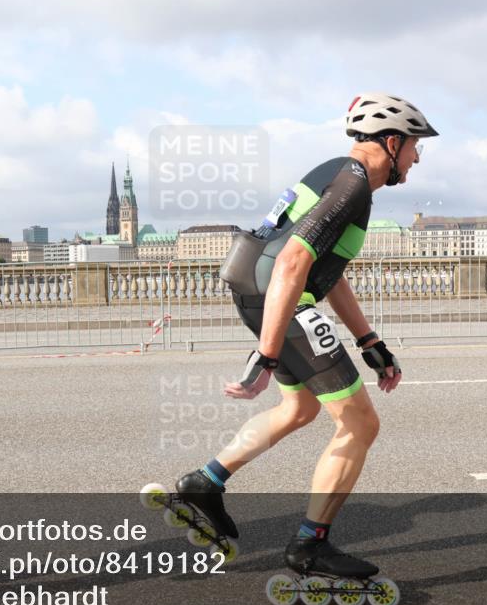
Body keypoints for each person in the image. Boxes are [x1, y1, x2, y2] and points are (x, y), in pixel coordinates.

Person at [174, 92, 437, 579]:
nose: (417, 158)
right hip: (284, 296)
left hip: (260, 292)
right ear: (392, 141)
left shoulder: (340, 174)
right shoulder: (353, 184)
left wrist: (369, 341)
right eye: (415, 147)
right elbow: (295, 261)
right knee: (360, 424)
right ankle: (310, 546)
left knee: (300, 408)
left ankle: (204, 483)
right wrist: (267, 356)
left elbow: (326, 269)